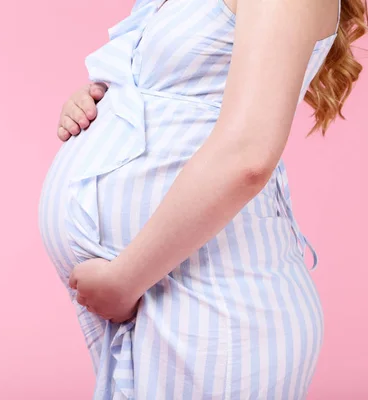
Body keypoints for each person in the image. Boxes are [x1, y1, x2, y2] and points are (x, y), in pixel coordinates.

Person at [38, 0, 367, 398]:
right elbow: (182, 90)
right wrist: (106, 102)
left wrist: (124, 281)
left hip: (215, 308)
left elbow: (247, 155)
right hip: (167, 296)